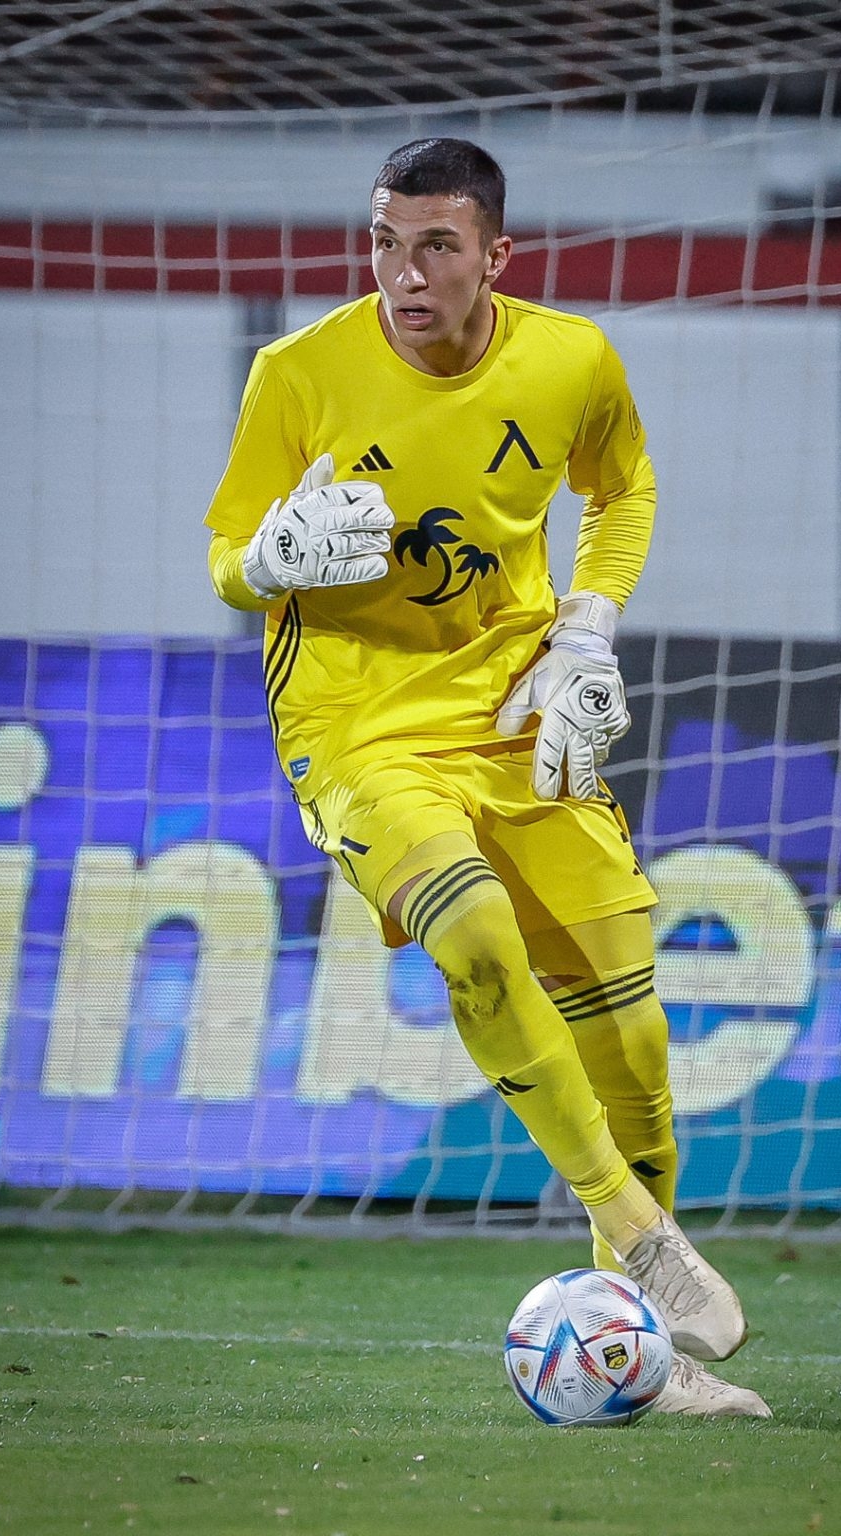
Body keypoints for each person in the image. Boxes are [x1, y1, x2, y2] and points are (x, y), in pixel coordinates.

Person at [205, 137, 769, 1419]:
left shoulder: (572, 359)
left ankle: (645, 1366)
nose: (403, 274)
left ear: (496, 256)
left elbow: (622, 489)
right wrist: (269, 559)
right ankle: (638, 1232)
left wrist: (589, 629)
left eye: (435, 247)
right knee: (468, 932)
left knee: (630, 1039)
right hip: (356, 726)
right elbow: (228, 552)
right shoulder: (297, 373)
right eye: (384, 243)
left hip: (516, 713)